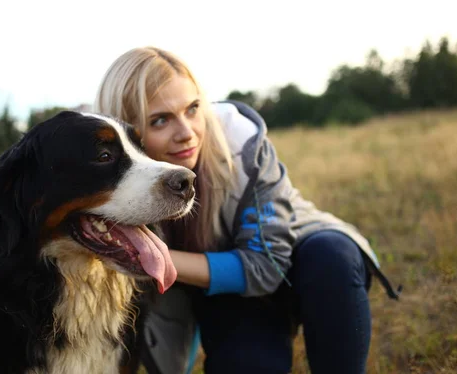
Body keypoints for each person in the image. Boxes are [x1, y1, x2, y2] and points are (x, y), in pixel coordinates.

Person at [93, 47, 400, 374]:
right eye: (160, 120)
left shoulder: (243, 148)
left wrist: (154, 258)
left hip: (299, 264)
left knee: (332, 254)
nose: (187, 133)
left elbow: (266, 265)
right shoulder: (108, 191)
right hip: (227, 294)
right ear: (127, 132)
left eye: (193, 108)